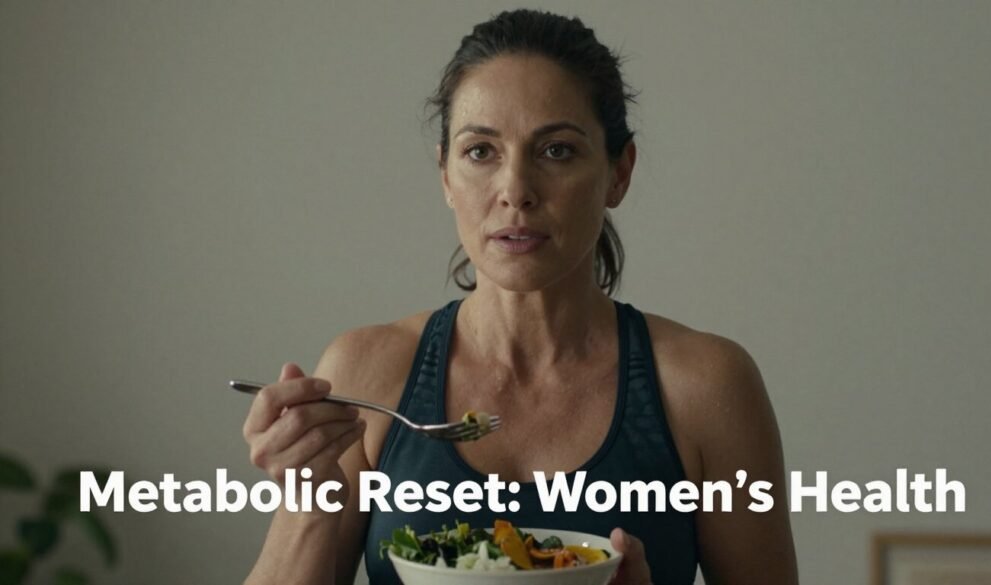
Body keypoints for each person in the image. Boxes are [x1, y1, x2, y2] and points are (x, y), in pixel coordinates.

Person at [241, 9, 798, 585]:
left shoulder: (707, 386)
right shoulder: (367, 374)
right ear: (445, 176)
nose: (515, 192)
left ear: (618, 173)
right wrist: (308, 506)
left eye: (556, 150)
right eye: (481, 151)